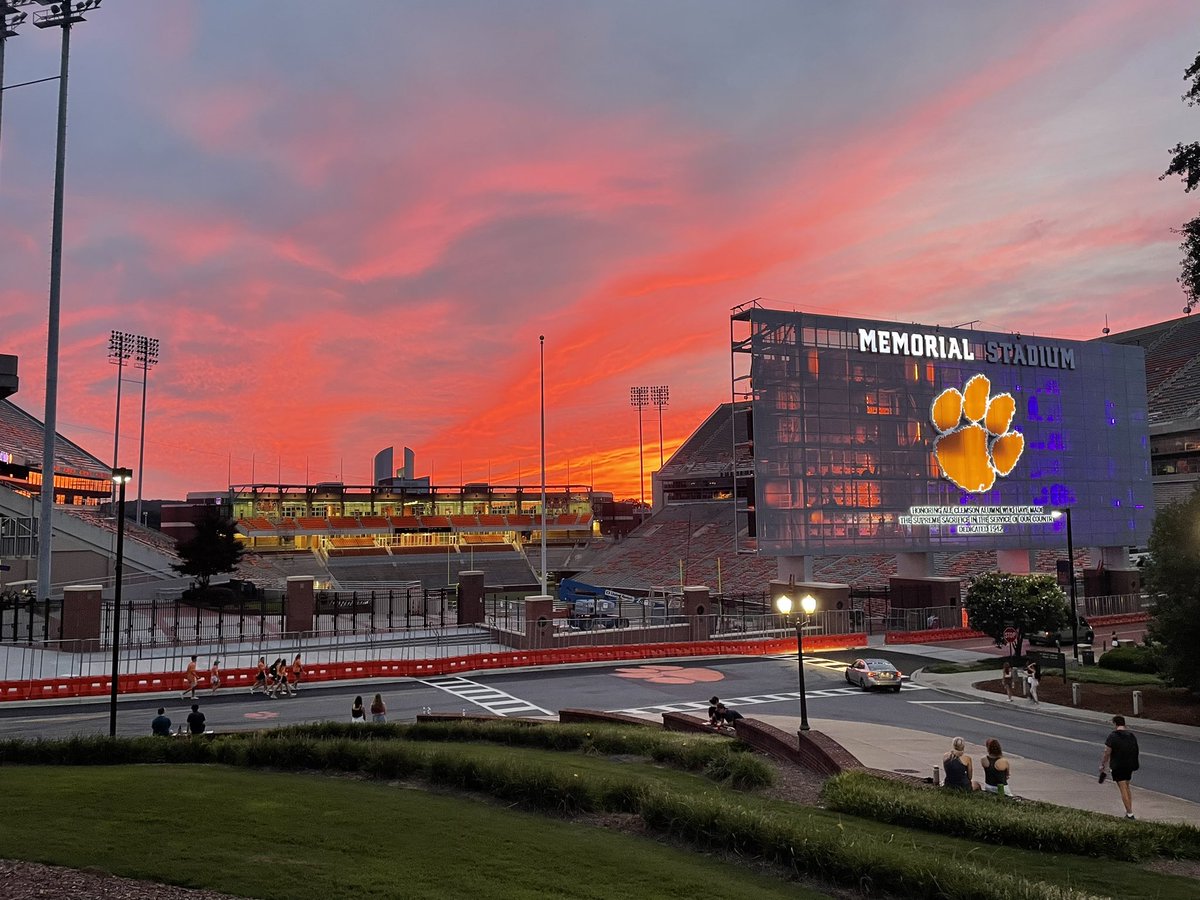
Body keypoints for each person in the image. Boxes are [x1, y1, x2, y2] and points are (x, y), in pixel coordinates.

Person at [1101, 714, 1140, 819]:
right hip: (1130, 765)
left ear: (1115, 724)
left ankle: (1130, 813)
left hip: (1118, 765)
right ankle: (1129, 810)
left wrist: (1103, 765)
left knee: (1123, 788)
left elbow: (1107, 752)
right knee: (1127, 787)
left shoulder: (1113, 736)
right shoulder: (1131, 736)